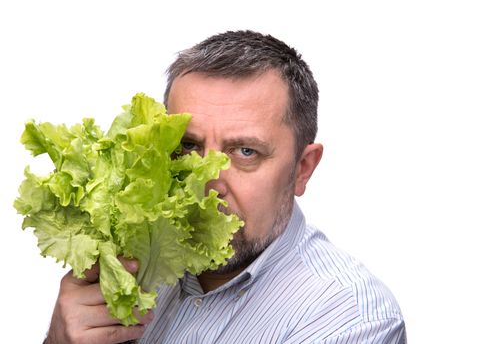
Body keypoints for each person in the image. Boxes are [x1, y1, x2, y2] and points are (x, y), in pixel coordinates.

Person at [45, 30, 406, 343]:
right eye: (188, 147)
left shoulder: (350, 319)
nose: (207, 183)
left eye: (245, 151)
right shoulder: (139, 265)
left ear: (302, 169)